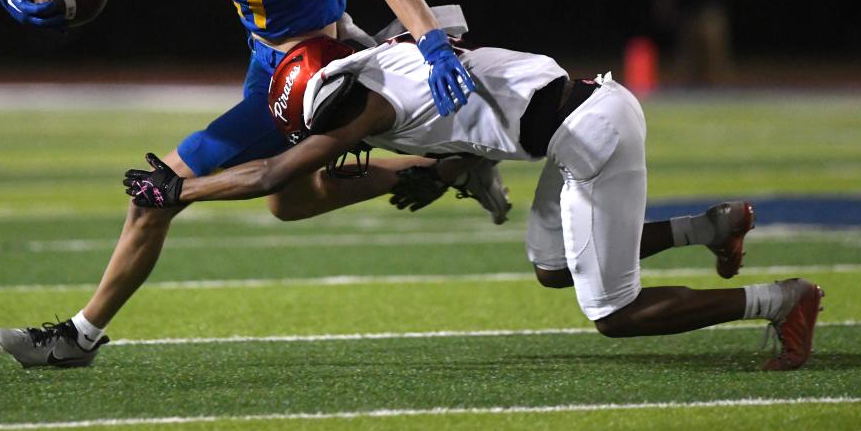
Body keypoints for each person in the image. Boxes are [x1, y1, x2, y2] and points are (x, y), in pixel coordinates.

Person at [0, 0, 507, 367]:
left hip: (311, 65)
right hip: (265, 56)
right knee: (291, 202)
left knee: (155, 196)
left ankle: (77, 336)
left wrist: (434, 43)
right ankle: (441, 169)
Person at [108, 36, 819, 372]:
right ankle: (711, 226)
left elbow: (271, 176)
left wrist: (179, 190)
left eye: (323, 123)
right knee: (552, 268)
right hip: (581, 118)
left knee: (614, 315)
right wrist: (457, 162)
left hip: (590, 136)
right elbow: (469, 92)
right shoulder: (382, 53)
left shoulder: (360, 104)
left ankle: (781, 301)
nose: (327, 136)